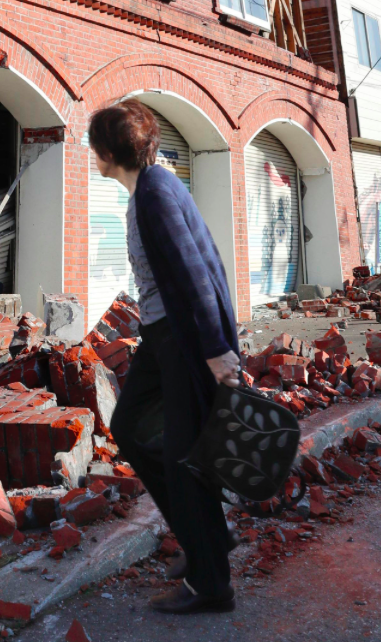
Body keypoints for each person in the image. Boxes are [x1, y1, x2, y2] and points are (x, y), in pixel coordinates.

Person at [87, 99, 241, 614]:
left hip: (184, 340)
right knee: (130, 427)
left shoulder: (154, 195)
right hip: (161, 335)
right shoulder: (152, 185)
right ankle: (207, 540)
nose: (92, 156)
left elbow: (196, 273)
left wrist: (217, 351)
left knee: (184, 457)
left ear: (108, 152)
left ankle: (211, 583)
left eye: (95, 148)